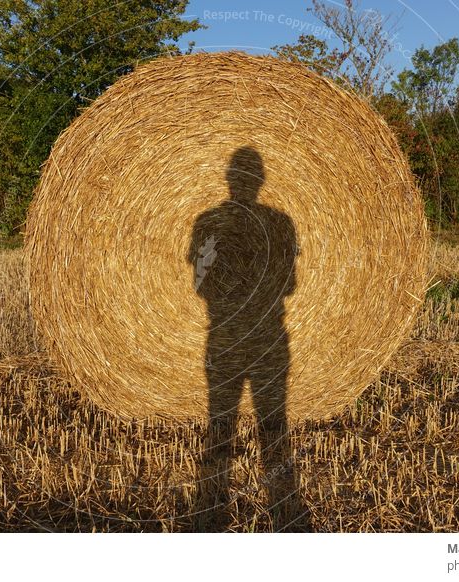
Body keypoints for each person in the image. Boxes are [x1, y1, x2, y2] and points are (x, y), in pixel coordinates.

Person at [187, 146, 302, 530]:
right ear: (262, 180)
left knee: (220, 423)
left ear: (229, 179)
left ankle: (211, 511)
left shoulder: (208, 221)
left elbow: (200, 284)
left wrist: (231, 287)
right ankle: (282, 508)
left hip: (224, 335)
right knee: (274, 425)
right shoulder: (281, 224)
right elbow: (288, 285)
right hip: (268, 334)